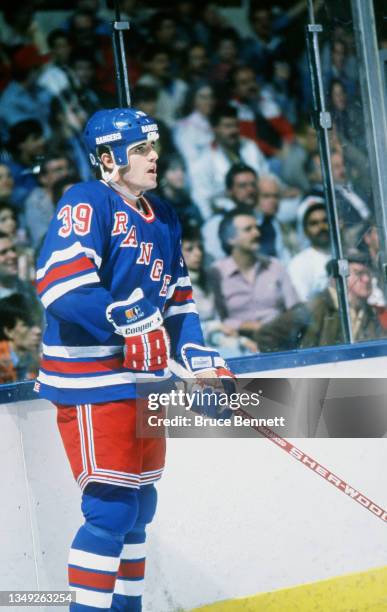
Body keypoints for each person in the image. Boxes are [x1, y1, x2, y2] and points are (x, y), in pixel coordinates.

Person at [35, 107, 234, 611]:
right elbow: (61, 285)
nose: (153, 156)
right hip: (92, 379)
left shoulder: (164, 215)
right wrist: (126, 317)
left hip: (142, 382)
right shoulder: (86, 200)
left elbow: (180, 304)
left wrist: (202, 363)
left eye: (154, 146)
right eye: (141, 148)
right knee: (111, 508)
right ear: (108, 157)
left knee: (141, 505)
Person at [209, 210, 299, 339]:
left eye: (256, 228)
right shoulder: (217, 273)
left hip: (279, 337)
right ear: (230, 239)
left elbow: (294, 309)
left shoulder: (275, 266)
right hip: (237, 341)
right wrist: (247, 326)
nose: (257, 233)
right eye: (248, 229)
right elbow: (216, 319)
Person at [190, 104, 268, 220]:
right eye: (227, 126)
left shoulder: (250, 147)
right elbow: (201, 199)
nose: (234, 131)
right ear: (214, 129)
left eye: (236, 125)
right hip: (225, 215)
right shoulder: (202, 162)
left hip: (258, 205)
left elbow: (265, 176)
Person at [288, 198, 331, 301]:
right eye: (314, 223)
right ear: (305, 230)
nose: (321, 227)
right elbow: (303, 304)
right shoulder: (298, 264)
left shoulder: (346, 254)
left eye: (325, 221)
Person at [0, 294, 41, 384]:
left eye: (37, 324)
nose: (38, 331)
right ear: (9, 332)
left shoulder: (35, 361)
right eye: (27, 325)